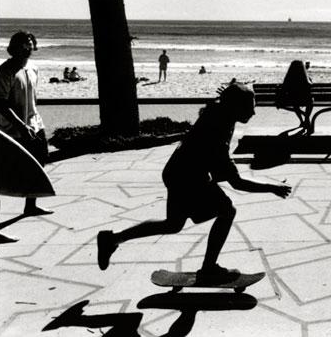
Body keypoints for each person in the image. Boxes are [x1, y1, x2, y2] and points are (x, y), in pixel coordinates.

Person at [96, 83, 292, 278]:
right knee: (227, 211)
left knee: (173, 224)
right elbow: (236, 182)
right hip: (187, 177)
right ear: (235, 107)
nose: (254, 113)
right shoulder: (217, 129)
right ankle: (208, 268)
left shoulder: (221, 114)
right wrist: (272, 187)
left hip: (178, 172)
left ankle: (112, 239)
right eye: (250, 108)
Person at [0, 31, 53, 243]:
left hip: (35, 124)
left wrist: (32, 122)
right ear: (14, 47)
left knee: (40, 162)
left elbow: (33, 98)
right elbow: (0, 103)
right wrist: (19, 125)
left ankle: (31, 206)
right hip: (11, 130)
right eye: (23, 44)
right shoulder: (4, 71)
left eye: (30, 44)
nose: (27, 48)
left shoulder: (33, 68)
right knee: (2, 176)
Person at [277, 60, 313, 131]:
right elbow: (310, 85)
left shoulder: (289, 77)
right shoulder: (306, 78)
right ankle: (306, 118)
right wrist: (306, 71)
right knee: (310, 101)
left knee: (295, 104)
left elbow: (284, 89)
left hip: (293, 100)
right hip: (305, 100)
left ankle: (302, 121)